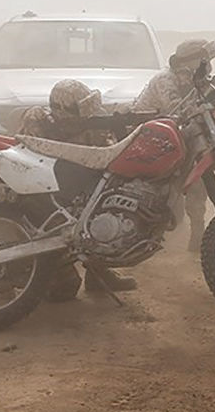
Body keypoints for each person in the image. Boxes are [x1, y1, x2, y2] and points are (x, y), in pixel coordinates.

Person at [18, 79, 137, 299]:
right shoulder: (37, 120)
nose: (87, 117)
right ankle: (38, 273)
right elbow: (46, 154)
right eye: (81, 112)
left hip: (65, 192)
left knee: (101, 203)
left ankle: (98, 273)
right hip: (36, 194)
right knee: (63, 289)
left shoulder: (88, 126)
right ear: (63, 111)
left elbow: (105, 157)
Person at [131, 38, 215, 252]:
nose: (209, 67)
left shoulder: (192, 82)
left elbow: (212, 113)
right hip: (148, 142)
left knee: (201, 181)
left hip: (175, 139)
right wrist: (207, 92)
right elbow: (178, 112)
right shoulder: (165, 80)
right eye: (205, 61)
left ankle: (198, 236)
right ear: (191, 62)